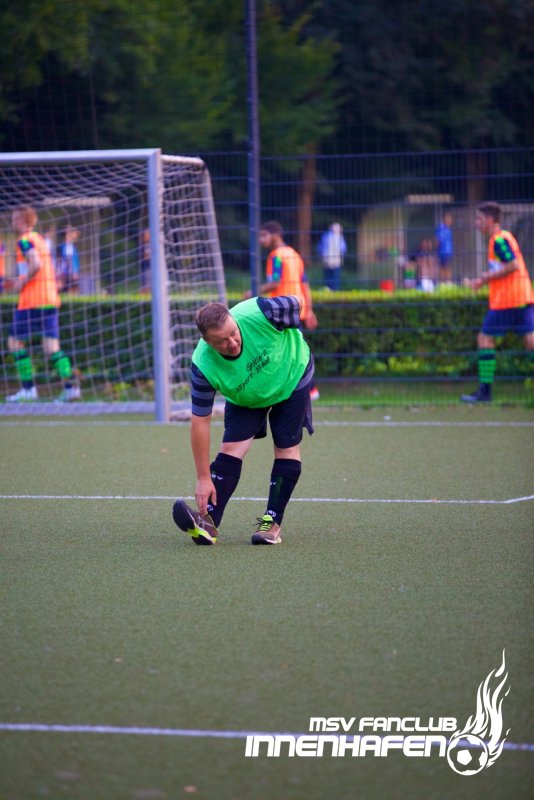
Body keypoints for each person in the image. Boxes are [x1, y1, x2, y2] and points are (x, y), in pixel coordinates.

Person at [172, 295, 314, 546]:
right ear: (207, 342)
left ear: (234, 320)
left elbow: (296, 302)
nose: (232, 343)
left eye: (233, 333)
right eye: (221, 341)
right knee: (231, 448)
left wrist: (291, 331)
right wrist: (203, 477)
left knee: (286, 446)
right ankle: (208, 523)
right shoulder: (202, 365)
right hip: (247, 395)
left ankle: (271, 523)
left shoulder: (262, 312)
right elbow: (200, 422)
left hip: (291, 375)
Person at [5, 206, 81, 402]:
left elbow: (35, 264)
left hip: (32, 300)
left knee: (14, 342)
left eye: (15, 219)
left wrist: (21, 282)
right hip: (49, 299)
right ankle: (72, 387)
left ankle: (28, 389)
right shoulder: (39, 239)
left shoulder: (24, 241)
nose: (12, 223)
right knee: (51, 347)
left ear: (23, 221)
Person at [461, 201, 534, 403]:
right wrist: (482, 280)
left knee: (485, 339)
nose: (477, 223)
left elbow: (513, 265)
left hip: (508, 300)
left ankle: (485, 392)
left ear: (490, 219)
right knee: (531, 342)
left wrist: (485, 278)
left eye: (479, 219)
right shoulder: (505, 237)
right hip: (523, 296)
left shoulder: (498, 240)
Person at [257, 220, 320, 400]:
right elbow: (305, 284)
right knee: (295, 350)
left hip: (281, 312)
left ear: (276, 235)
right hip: (297, 309)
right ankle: (308, 388)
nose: (261, 240)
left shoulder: (276, 256)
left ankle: (307, 388)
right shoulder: (294, 254)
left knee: (282, 352)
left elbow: (274, 282)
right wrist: (309, 310)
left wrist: (254, 290)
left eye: (264, 235)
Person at [318, 222, 347, 291]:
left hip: (329, 259)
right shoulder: (335, 237)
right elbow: (343, 249)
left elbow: (320, 247)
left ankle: (330, 289)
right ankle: (332, 289)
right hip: (332, 260)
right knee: (332, 276)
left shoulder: (326, 236)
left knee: (330, 276)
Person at [56, 224, 80, 293]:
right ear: (67, 234)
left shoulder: (71, 247)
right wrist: (73, 272)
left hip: (69, 274)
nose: (75, 234)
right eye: (72, 231)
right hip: (67, 274)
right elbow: (66, 260)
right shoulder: (65, 247)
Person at [435, 211, 454, 283]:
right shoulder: (441, 228)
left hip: (448, 252)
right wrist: (437, 250)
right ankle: (444, 282)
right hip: (443, 252)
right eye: (448, 218)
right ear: (445, 219)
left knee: (448, 267)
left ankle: (448, 282)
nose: (450, 220)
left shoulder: (448, 229)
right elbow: (438, 241)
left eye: (450, 218)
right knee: (444, 267)